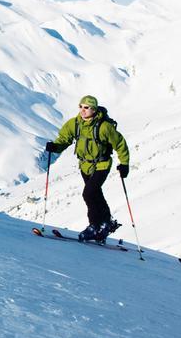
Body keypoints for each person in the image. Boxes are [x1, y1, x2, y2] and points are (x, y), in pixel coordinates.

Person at [45, 95, 130, 243]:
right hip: (85, 165)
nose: (82, 110)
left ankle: (94, 225)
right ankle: (107, 222)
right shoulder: (75, 124)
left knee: (88, 193)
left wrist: (124, 164)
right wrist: (55, 147)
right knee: (95, 194)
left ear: (94, 109)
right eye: (81, 106)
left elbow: (120, 144)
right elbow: (64, 139)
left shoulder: (104, 127)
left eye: (86, 107)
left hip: (102, 165)